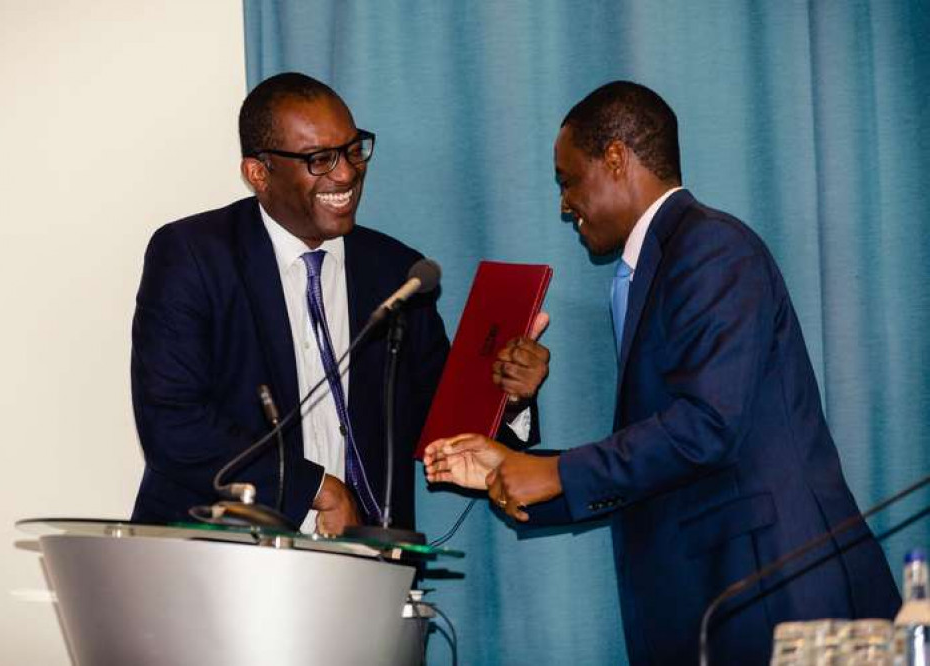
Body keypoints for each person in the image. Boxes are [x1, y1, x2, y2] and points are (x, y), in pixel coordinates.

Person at [424, 81, 899, 665]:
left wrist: (557, 473)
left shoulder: (711, 247)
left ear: (617, 158)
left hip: (780, 592)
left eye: (568, 180)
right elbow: (662, 451)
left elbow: (707, 425)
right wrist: (516, 472)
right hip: (716, 601)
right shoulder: (653, 267)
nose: (563, 204)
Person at [131, 72, 547, 536]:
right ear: (258, 173)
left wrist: (509, 399)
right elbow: (172, 425)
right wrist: (315, 489)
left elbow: (440, 425)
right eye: (319, 159)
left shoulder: (399, 273)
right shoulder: (194, 255)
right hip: (218, 559)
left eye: (353, 149)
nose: (346, 173)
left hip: (363, 561)